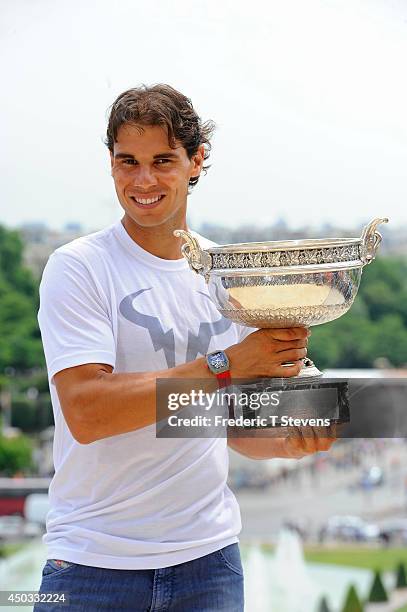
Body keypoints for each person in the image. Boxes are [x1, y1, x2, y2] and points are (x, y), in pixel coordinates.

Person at [34, 84, 335, 611]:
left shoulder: (227, 274)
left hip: (209, 563)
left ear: (196, 161)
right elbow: (87, 411)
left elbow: (225, 425)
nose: (143, 179)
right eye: (128, 161)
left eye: (162, 161)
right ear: (110, 164)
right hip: (92, 565)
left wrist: (290, 442)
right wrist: (226, 365)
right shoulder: (79, 267)